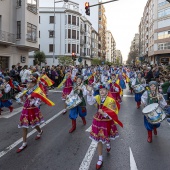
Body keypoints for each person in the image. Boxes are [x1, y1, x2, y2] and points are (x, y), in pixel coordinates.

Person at [86, 84, 123, 170]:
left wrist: (104, 113)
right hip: (98, 120)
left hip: (107, 121)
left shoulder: (111, 100)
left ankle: (108, 143)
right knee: (99, 139)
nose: (101, 91)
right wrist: (90, 92)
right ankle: (100, 159)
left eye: (103, 90)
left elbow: (114, 113)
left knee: (107, 136)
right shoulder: (98, 97)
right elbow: (91, 102)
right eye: (100, 90)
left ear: (107, 91)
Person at [17, 77, 44, 153]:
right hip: (25, 110)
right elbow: (23, 102)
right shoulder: (26, 91)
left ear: (33, 84)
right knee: (24, 126)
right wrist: (22, 97)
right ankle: (24, 143)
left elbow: (38, 103)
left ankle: (40, 131)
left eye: (29, 83)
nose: (28, 84)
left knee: (34, 124)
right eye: (27, 83)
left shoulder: (38, 91)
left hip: (32, 110)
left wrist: (31, 99)